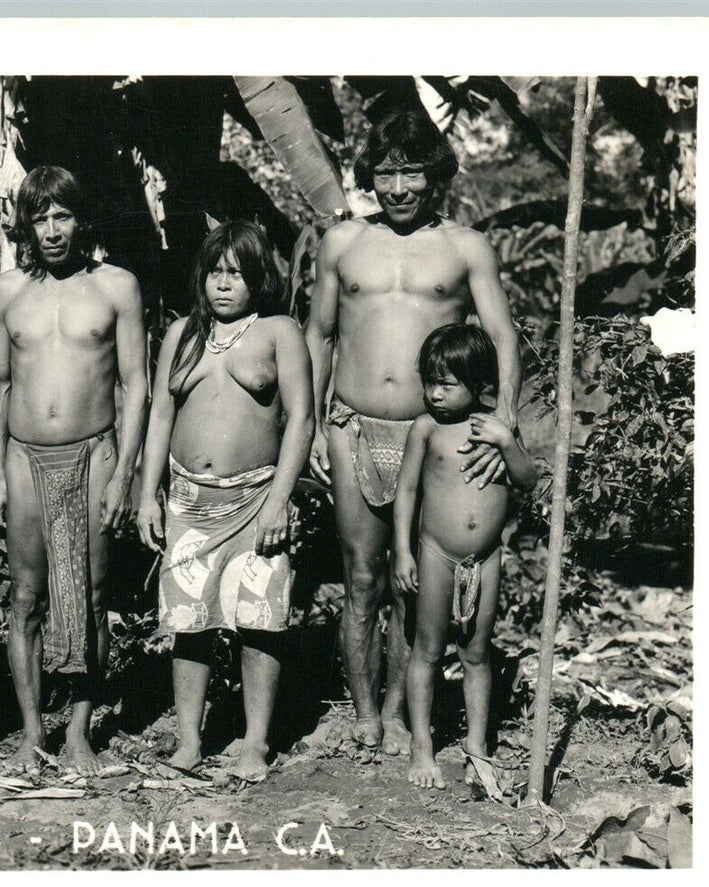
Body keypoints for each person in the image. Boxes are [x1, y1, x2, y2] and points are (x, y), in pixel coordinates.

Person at [305, 109, 522, 756]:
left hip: (435, 435)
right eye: (385, 173)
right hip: (351, 426)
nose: (397, 188)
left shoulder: (463, 247)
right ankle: (365, 713)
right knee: (362, 575)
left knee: (415, 584)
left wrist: (504, 413)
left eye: (410, 173)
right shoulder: (342, 243)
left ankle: (403, 714)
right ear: (368, 175)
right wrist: (314, 423)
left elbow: (501, 335)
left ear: (434, 176)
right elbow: (318, 334)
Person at [0, 165, 149, 775]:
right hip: (26, 457)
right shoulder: (9, 291)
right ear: (25, 224)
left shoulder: (116, 288)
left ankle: (79, 728)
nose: (53, 230)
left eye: (63, 216)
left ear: (81, 220)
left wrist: (126, 470)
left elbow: (137, 383)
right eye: (41, 217)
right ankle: (33, 732)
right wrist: (0, 473)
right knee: (26, 597)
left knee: (93, 595)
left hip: (95, 453)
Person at [137, 221, 314, 780]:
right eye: (215, 272)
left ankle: (255, 742)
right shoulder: (181, 335)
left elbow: (301, 419)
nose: (223, 284)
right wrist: (148, 497)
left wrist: (279, 500)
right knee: (190, 621)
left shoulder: (279, 331)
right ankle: (189, 740)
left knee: (259, 618)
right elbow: (159, 416)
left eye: (236, 273)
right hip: (188, 501)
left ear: (257, 278)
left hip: (256, 496)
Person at [392, 325, 537, 790]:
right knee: (428, 651)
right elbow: (407, 491)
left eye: (447, 383)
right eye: (429, 381)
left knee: (476, 654)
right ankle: (421, 745)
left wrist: (507, 440)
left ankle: (477, 745)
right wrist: (402, 551)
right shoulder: (427, 428)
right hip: (436, 553)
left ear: (479, 383)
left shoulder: (493, 426)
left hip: (486, 558)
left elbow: (527, 479)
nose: (434, 393)